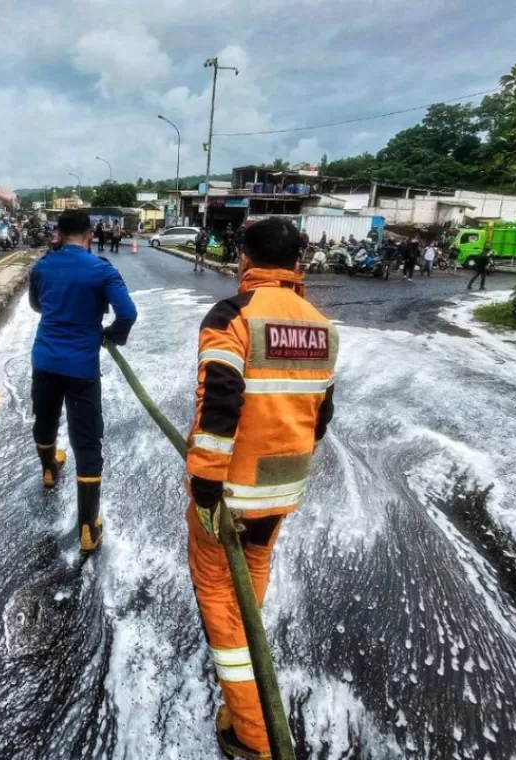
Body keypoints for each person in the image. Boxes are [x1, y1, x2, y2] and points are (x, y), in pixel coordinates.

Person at [186, 218, 337, 760]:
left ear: (245, 261)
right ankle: (249, 672)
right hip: (283, 488)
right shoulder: (321, 325)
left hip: (232, 491)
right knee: (251, 575)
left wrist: (205, 492)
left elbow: (219, 409)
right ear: (298, 265)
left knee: (217, 592)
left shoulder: (233, 317)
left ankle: (250, 731)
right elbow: (322, 417)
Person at [29, 209, 137, 552]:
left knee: (45, 419)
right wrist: (111, 335)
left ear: (57, 234)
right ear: (90, 234)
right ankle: (88, 528)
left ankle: (49, 469)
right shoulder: (102, 270)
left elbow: (36, 305)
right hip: (81, 369)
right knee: (87, 444)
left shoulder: (42, 267)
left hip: (45, 360)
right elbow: (128, 313)